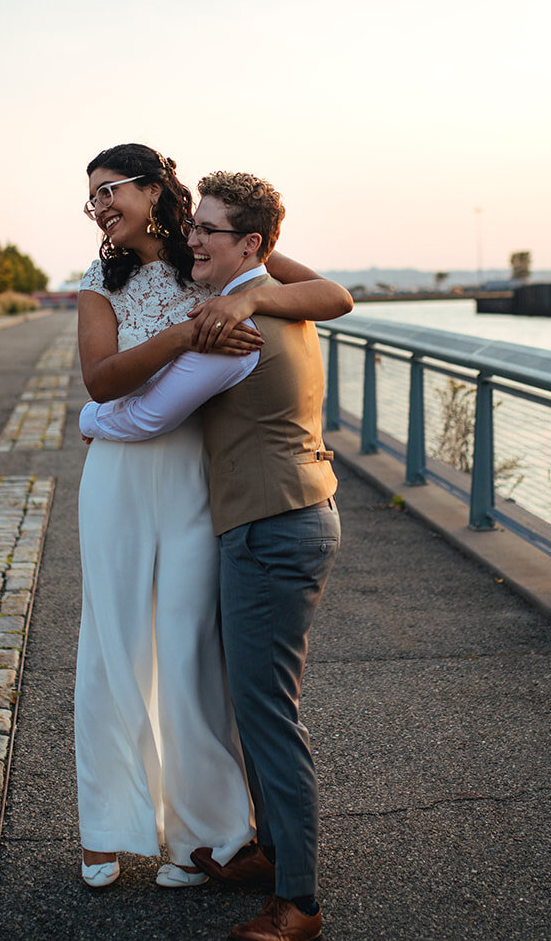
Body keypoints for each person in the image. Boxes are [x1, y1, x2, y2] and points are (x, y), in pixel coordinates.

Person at [73, 144, 351, 893]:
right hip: (122, 479)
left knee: (194, 655)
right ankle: (105, 826)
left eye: (111, 188)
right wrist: (188, 333)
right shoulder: (101, 281)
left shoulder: (214, 252)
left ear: (156, 189)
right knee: (113, 641)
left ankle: (211, 835)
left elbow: (332, 296)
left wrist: (251, 300)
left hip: (203, 480)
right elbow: (99, 378)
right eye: (89, 195)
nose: (98, 204)